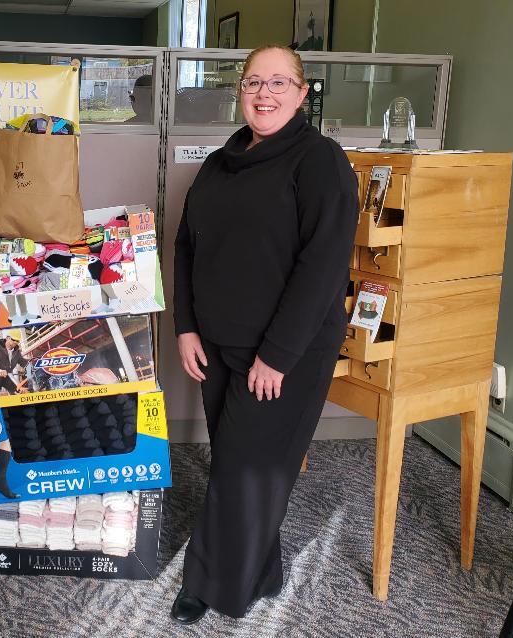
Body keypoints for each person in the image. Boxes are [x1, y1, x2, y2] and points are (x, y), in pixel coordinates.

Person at [171, 44, 358, 623]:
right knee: (235, 460)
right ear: (240, 92)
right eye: (254, 82)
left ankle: (211, 586)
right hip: (219, 345)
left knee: (243, 470)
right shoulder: (220, 162)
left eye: (280, 82)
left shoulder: (320, 161)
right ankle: (263, 568)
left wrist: (276, 356)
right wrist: (186, 326)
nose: (265, 93)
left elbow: (322, 267)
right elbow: (185, 245)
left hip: (283, 355)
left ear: (303, 94)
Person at [0, 332, 28, 398]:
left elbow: (23, 362)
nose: (15, 342)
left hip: (7, 377)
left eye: (17, 341)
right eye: (13, 340)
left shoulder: (16, 352)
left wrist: (35, 364)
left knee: (19, 392)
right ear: (7, 338)